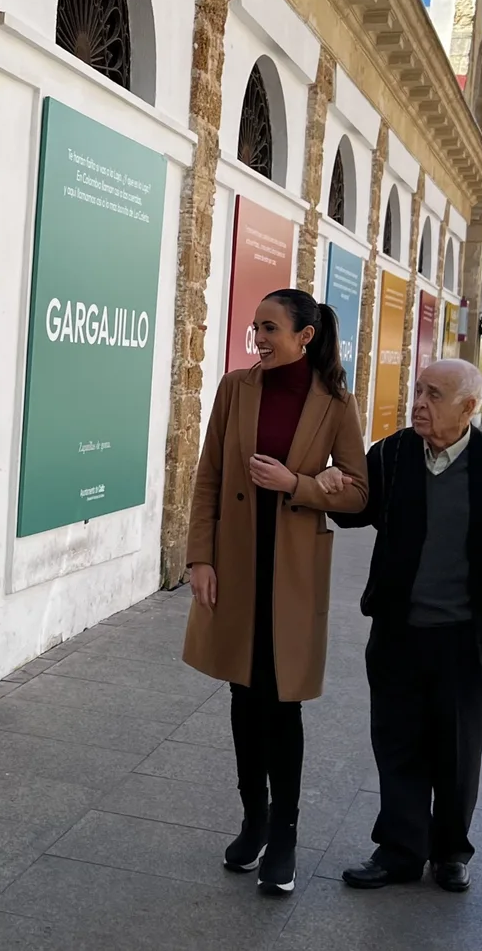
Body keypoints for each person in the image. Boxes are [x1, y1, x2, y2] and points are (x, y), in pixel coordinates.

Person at [331, 360, 482, 894]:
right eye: (418, 391)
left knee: (457, 747)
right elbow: (358, 511)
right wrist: (332, 484)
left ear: (469, 408)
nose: (418, 403)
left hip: (468, 636)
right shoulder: (394, 454)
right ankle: (401, 849)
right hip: (398, 628)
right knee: (397, 742)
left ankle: (450, 850)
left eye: (434, 394)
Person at [184, 288, 368, 896]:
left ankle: (284, 832)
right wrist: (199, 558)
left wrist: (299, 484)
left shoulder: (337, 404)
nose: (258, 337)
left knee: (281, 702)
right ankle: (253, 818)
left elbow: (359, 495)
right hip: (235, 566)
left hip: (291, 573)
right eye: (255, 327)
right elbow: (209, 476)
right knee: (244, 692)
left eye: (269, 327)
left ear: (305, 336)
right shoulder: (236, 389)